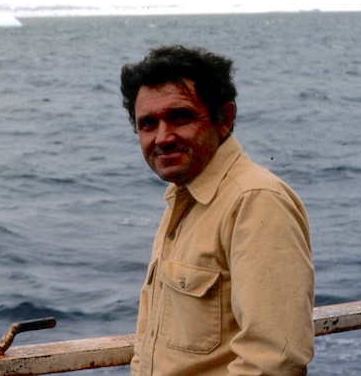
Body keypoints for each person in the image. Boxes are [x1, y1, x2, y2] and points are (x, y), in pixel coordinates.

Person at [119, 45, 314, 375]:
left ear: (225, 118)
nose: (162, 138)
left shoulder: (254, 201)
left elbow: (274, 360)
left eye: (180, 117)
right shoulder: (184, 197)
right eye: (148, 124)